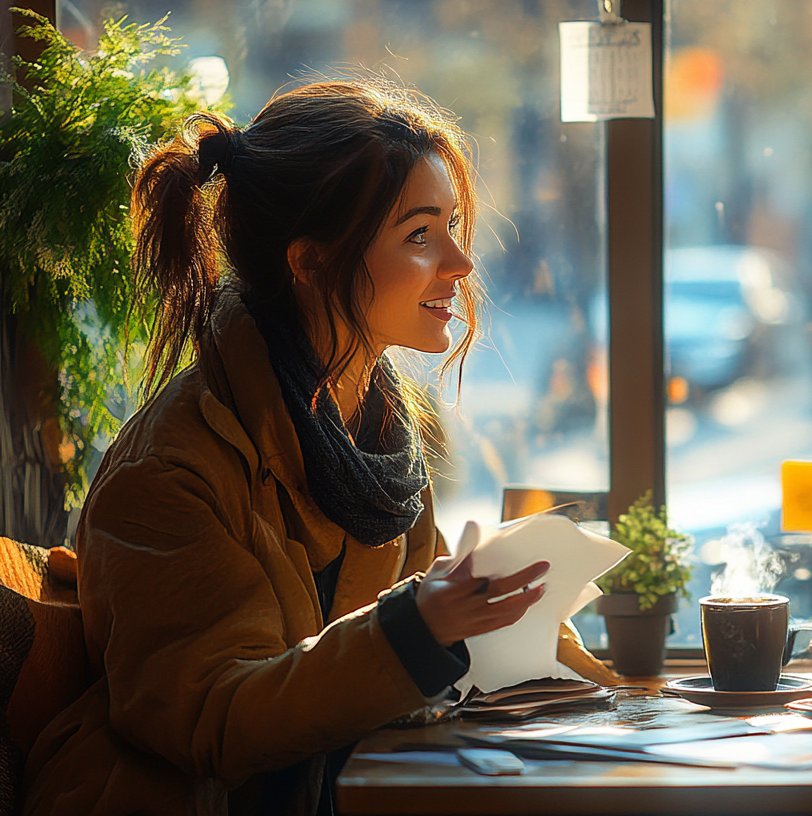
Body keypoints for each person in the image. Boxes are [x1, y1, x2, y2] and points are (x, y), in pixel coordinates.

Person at [23, 79, 553, 815]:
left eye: (454, 227)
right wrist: (418, 626)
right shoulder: (171, 471)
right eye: (420, 235)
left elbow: (403, 658)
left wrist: (581, 672)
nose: (461, 265)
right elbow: (215, 721)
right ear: (309, 262)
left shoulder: (377, 430)